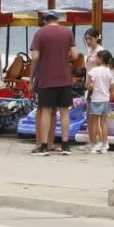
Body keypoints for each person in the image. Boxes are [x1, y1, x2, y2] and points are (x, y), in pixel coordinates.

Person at [29, 11, 80, 156]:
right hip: (64, 77)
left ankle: (44, 146)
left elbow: (35, 56)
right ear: (57, 20)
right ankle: (65, 145)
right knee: (64, 111)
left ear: (45, 21)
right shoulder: (67, 32)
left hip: (47, 77)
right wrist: (63, 57)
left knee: (45, 110)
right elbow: (75, 55)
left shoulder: (40, 34)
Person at [86, 49, 114, 154]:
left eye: (97, 57)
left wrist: (92, 87)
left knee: (94, 123)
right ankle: (104, 145)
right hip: (106, 100)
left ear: (100, 59)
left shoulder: (93, 71)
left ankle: (94, 145)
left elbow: (88, 86)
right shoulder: (110, 72)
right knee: (104, 124)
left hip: (96, 99)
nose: (95, 59)